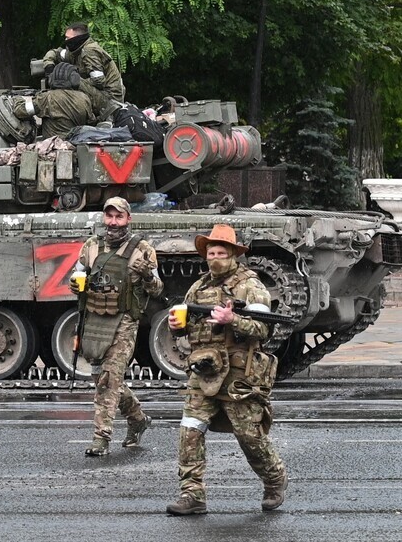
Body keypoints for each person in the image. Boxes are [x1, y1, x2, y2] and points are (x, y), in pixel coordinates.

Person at [165, 224, 287, 516]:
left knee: (249, 436)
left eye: (221, 252)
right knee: (190, 430)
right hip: (204, 370)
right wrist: (178, 328)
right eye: (210, 252)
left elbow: (264, 329)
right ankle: (192, 494)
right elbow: (190, 331)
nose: (215, 257)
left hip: (238, 374)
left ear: (234, 255)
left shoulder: (250, 285)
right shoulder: (199, 287)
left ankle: (274, 479)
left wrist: (233, 319)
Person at [70, 197, 163, 456]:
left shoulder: (142, 250)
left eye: (119, 217)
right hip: (94, 319)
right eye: (109, 216)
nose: (113, 222)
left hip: (124, 321)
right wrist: (75, 283)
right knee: (103, 379)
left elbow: (158, 289)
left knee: (109, 379)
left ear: (128, 219)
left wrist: (146, 274)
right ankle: (138, 418)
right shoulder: (91, 246)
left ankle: (101, 438)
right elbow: (76, 274)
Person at [43, 22, 125, 120]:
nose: (66, 41)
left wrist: (71, 82)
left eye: (68, 38)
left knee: (68, 77)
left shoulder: (90, 52)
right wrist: (49, 65)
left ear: (77, 38)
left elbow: (98, 81)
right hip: (98, 94)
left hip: (110, 100)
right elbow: (54, 53)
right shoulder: (75, 50)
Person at [22, 62, 97, 140]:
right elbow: (91, 121)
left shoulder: (47, 97)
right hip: (76, 144)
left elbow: (22, 110)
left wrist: (17, 100)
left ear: (52, 79)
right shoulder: (84, 98)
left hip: (51, 146)